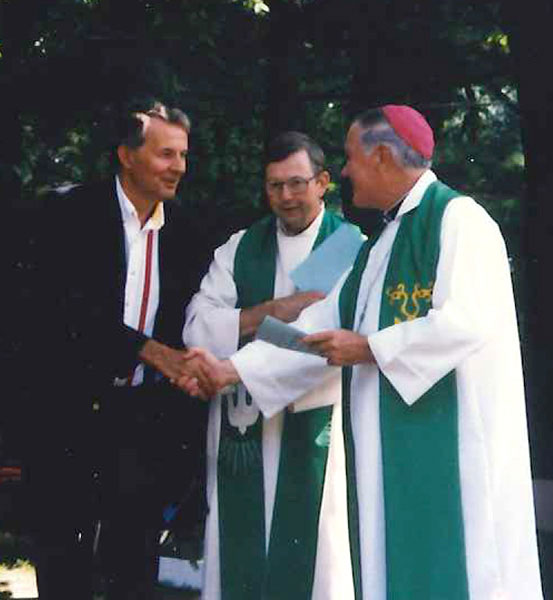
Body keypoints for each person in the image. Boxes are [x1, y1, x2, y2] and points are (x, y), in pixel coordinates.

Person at [180, 105, 542, 599]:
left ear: (384, 157)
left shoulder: (458, 219)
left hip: (454, 455)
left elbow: (467, 321)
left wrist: (371, 347)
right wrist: (230, 371)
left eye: (351, 158)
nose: (346, 171)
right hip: (383, 454)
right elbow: (318, 329)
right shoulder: (379, 245)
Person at [25, 100, 211, 599]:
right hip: (67, 416)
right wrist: (148, 350)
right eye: (166, 154)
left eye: (183, 155)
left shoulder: (189, 233)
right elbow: (59, 315)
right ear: (127, 156)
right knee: (64, 563)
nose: (179, 167)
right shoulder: (66, 213)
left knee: (134, 565)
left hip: (144, 423)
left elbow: (197, 321)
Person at [182, 131, 356, 599]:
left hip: (314, 416)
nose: (286, 197)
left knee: (317, 552)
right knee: (237, 550)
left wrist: (236, 352)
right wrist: (268, 313)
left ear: (322, 183)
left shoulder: (347, 248)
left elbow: (316, 338)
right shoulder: (241, 247)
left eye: (297, 183)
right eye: (275, 186)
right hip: (242, 421)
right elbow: (197, 326)